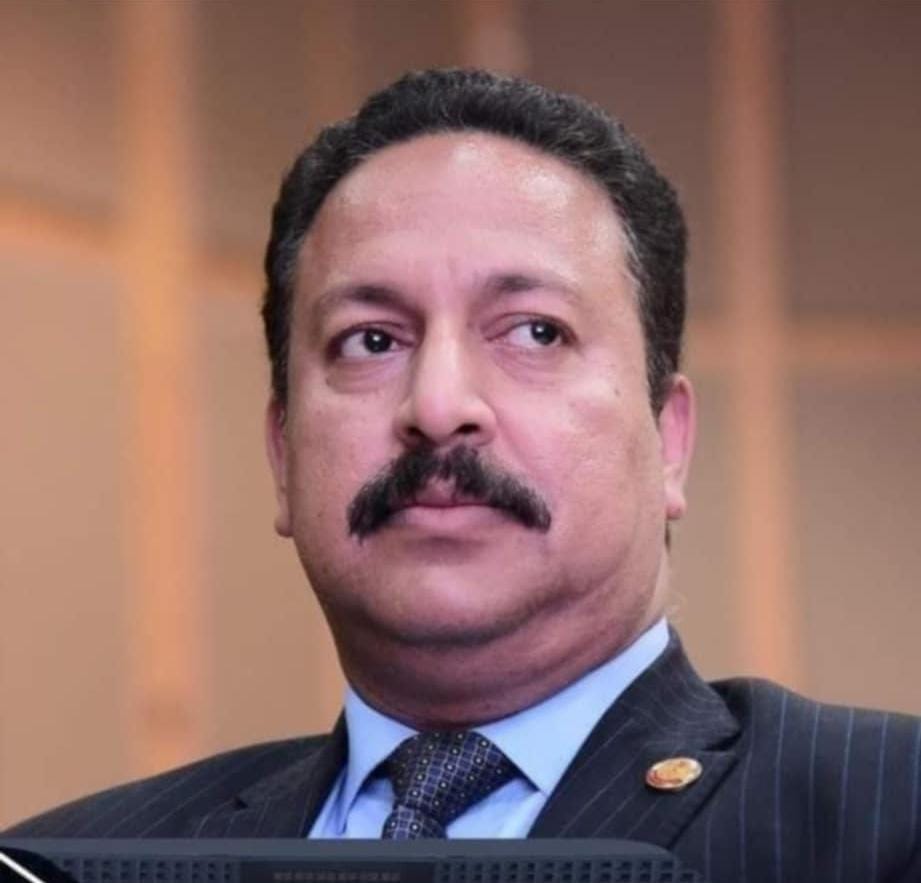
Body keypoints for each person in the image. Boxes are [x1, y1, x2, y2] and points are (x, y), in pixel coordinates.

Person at [4, 68, 919, 882]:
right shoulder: (60, 863)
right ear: (282, 455)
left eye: (534, 331)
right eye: (371, 340)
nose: (438, 405)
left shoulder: (886, 820)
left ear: (668, 439)